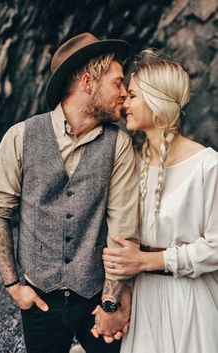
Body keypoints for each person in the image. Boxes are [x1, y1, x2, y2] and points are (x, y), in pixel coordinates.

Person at [0, 32, 140, 353]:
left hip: (95, 297)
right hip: (39, 298)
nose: (125, 94)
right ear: (87, 82)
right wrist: (14, 287)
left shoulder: (119, 144)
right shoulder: (20, 137)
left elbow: (123, 228)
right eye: (117, 83)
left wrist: (110, 302)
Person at [102, 49, 218, 353]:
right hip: (144, 301)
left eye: (133, 96)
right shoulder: (134, 165)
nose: (124, 103)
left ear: (157, 103)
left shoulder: (208, 165)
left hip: (190, 301)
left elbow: (216, 246)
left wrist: (148, 260)